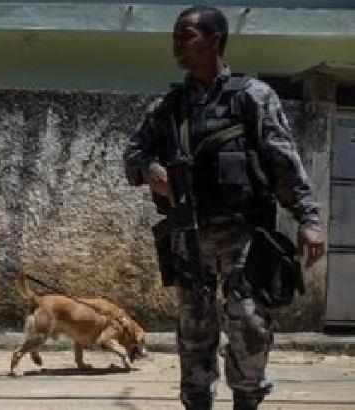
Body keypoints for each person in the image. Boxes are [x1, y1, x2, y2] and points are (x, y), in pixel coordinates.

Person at [123, 6, 325, 410]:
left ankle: (246, 401)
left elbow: (283, 162)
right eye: (176, 36)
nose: (177, 44)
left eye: (187, 35)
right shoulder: (169, 107)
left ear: (216, 40)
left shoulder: (252, 97)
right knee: (194, 332)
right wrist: (151, 170)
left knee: (249, 325)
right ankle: (197, 401)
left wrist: (308, 218)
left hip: (244, 236)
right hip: (189, 237)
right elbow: (133, 154)